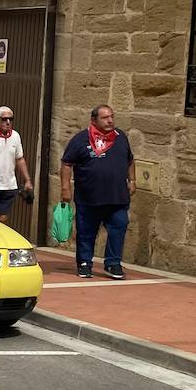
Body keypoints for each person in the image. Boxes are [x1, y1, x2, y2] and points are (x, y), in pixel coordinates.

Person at [60, 104, 134, 280]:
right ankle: (85, 263)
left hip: (117, 197)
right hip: (89, 198)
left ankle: (113, 263)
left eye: (112, 116)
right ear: (94, 120)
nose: (110, 120)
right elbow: (66, 163)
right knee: (86, 232)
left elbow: (130, 160)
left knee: (119, 227)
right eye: (105, 117)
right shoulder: (80, 139)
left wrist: (133, 181)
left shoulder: (121, 137)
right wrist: (65, 188)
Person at [0, 106, 33, 222]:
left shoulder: (15, 136)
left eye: (10, 119)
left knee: (2, 218)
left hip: (9, 184)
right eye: (4, 119)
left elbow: (19, 158)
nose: (8, 122)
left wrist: (27, 180)